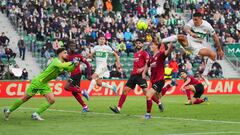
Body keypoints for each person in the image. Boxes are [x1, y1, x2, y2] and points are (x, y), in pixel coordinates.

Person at [3, 48, 79, 121]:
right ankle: (8, 110)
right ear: (60, 54)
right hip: (38, 82)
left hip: (44, 84)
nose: (67, 54)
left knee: (52, 100)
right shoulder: (56, 61)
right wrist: (72, 62)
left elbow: (69, 69)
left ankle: (36, 114)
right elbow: (62, 66)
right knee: (24, 98)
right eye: (65, 53)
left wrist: (75, 65)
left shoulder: (62, 64)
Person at [161, 12, 224, 77]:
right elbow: (185, 28)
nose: (194, 21)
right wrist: (191, 33)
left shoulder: (207, 26)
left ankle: (204, 75)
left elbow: (215, 37)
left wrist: (219, 49)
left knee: (213, 55)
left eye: (196, 20)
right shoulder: (192, 22)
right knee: (181, 37)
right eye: (193, 19)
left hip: (199, 46)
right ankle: (162, 41)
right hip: (189, 41)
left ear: (200, 18)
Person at [109, 39, 160, 113]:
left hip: (140, 76)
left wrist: (142, 69)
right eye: (137, 43)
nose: (138, 44)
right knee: (125, 91)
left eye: (139, 43)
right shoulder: (135, 54)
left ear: (142, 44)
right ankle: (118, 108)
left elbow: (148, 63)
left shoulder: (145, 53)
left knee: (147, 93)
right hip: (133, 76)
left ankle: (159, 103)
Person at [143, 41, 175, 119]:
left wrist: (171, 45)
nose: (151, 46)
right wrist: (144, 73)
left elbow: (167, 52)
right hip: (153, 80)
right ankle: (169, 86)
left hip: (159, 80)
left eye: (152, 45)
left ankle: (148, 114)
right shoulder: (151, 57)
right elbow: (147, 66)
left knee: (148, 95)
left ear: (157, 46)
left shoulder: (160, 54)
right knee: (157, 97)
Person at [64, 42, 92, 112]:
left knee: (66, 87)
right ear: (69, 47)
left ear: (75, 47)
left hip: (77, 74)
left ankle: (83, 92)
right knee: (74, 92)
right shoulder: (67, 56)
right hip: (72, 74)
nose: (73, 47)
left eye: (74, 46)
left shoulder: (79, 56)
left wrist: (89, 74)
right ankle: (85, 107)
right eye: (71, 46)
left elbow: (87, 64)